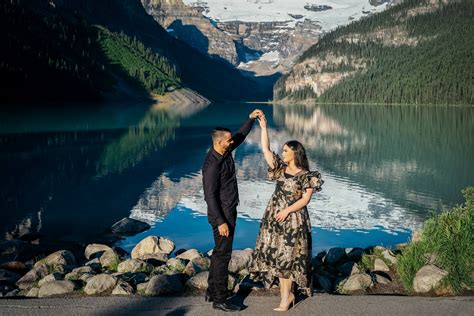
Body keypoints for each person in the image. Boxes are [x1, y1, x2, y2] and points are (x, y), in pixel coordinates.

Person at [248, 113, 323, 312]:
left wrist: (287, 210)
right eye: (282, 150)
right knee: (279, 258)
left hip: (294, 220)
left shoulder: (308, 176)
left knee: (288, 259)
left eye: (285, 150)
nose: (282, 153)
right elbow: (265, 149)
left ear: (295, 153)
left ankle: (286, 298)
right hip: (274, 218)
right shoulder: (279, 170)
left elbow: (306, 199)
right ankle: (286, 296)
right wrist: (263, 127)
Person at [202, 109, 262, 312]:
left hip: (227, 210)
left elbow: (240, 136)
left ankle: (212, 291)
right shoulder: (212, 165)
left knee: (219, 253)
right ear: (219, 142)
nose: (231, 142)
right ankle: (220, 298)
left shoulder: (225, 150)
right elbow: (209, 196)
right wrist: (221, 222)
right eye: (228, 141)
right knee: (223, 255)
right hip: (222, 215)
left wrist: (250, 118)